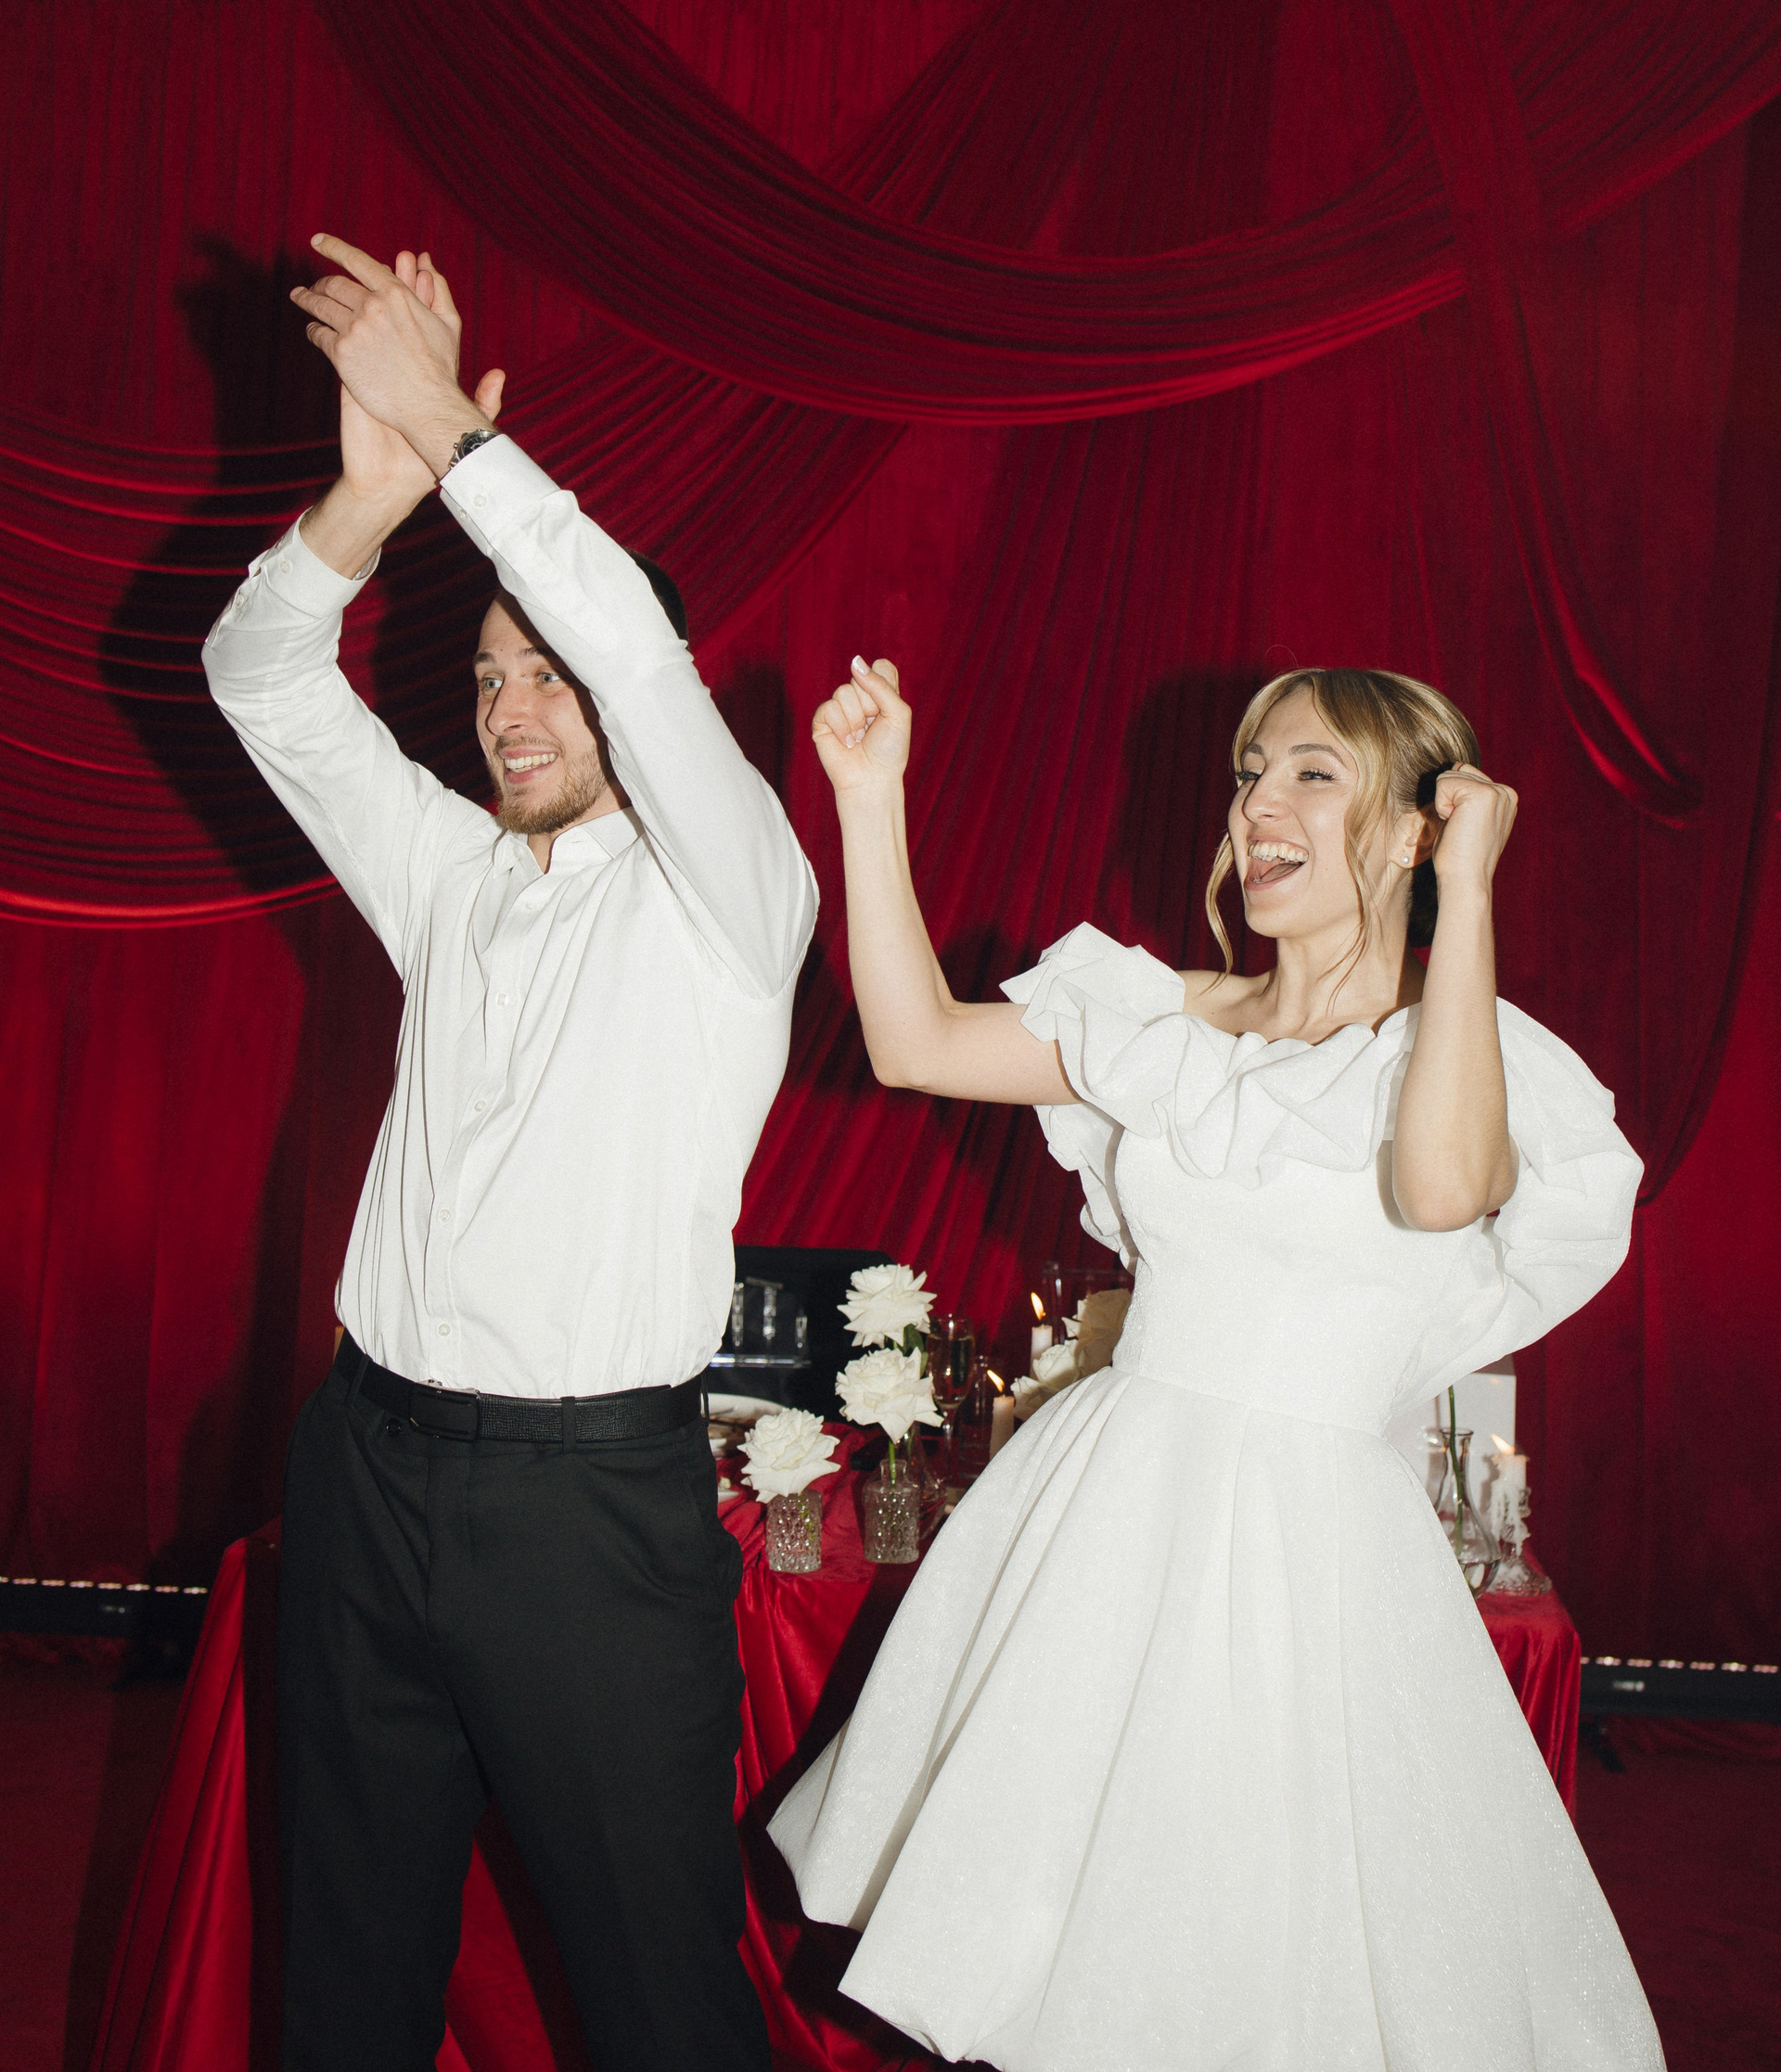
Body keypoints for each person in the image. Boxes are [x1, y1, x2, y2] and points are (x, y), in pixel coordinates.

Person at [770, 657, 1663, 2070]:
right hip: (1110, 1525)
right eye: (1252, 774)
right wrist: (870, 799)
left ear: (1416, 827)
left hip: (1319, 1566)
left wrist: (1470, 894)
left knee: (1270, 1972)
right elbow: (915, 1041)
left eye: (1312, 772)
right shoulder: (1169, 1020)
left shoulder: (1472, 1051)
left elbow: (1440, 1187)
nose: (1258, 806)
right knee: (1079, 1958)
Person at [203, 235, 815, 2072]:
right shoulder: (451, 872)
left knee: (656, 1998)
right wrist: (368, 497)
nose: (511, 707)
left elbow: (621, 631)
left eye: (549, 673)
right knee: (345, 1972)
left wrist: (460, 443)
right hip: (367, 1460)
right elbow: (258, 676)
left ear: (637, 694)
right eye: (487, 675)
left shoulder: (736, 895)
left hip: (588, 1511)